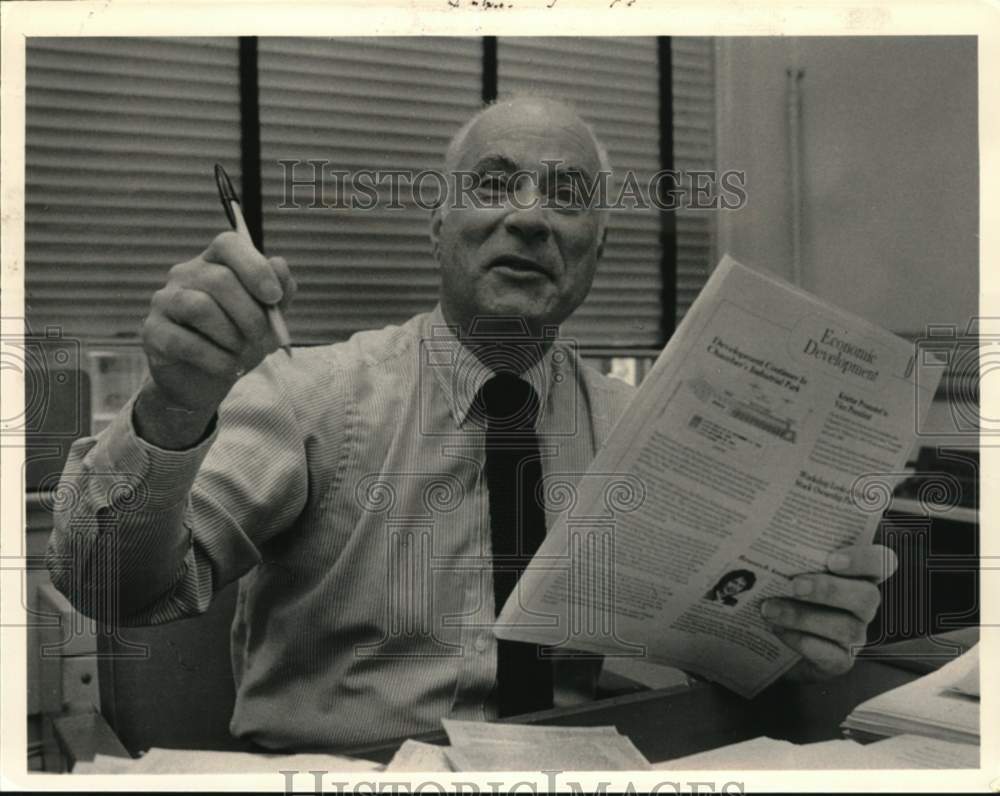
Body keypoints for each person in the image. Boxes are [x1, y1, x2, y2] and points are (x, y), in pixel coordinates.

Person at [47, 95, 894, 751]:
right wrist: (172, 409)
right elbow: (107, 588)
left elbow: (727, 649)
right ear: (437, 226)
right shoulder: (310, 395)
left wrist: (803, 631)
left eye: (567, 198)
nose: (529, 216)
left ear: (596, 253)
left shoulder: (646, 428)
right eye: (494, 184)